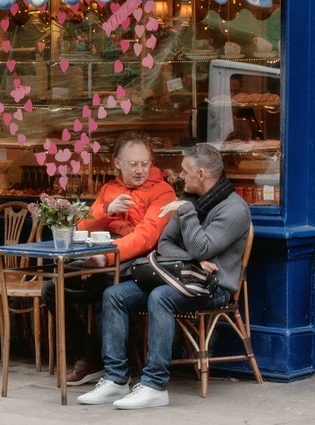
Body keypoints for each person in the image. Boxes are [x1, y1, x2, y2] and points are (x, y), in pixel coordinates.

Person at [78, 143, 250, 409]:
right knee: (114, 295)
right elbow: (166, 244)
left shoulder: (233, 209)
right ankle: (115, 379)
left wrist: (187, 215)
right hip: (178, 277)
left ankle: (155, 385)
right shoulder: (187, 200)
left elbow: (201, 247)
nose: (180, 176)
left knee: (160, 297)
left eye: (185, 171)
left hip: (214, 288)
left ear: (201, 174)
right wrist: (193, 259)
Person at [41, 131, 175, 386]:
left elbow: (146, 237)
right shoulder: (109, 189)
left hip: (141, 265)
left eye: (145, 163)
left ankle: (113, 367)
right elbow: (81, 229)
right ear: (117, 163)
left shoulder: (162, 191)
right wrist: (107, 210)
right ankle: (89, 356)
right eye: (133, 164)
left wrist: (107, 257)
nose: (140, 170)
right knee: (52, 289)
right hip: (103, 260)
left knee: (105, 287)